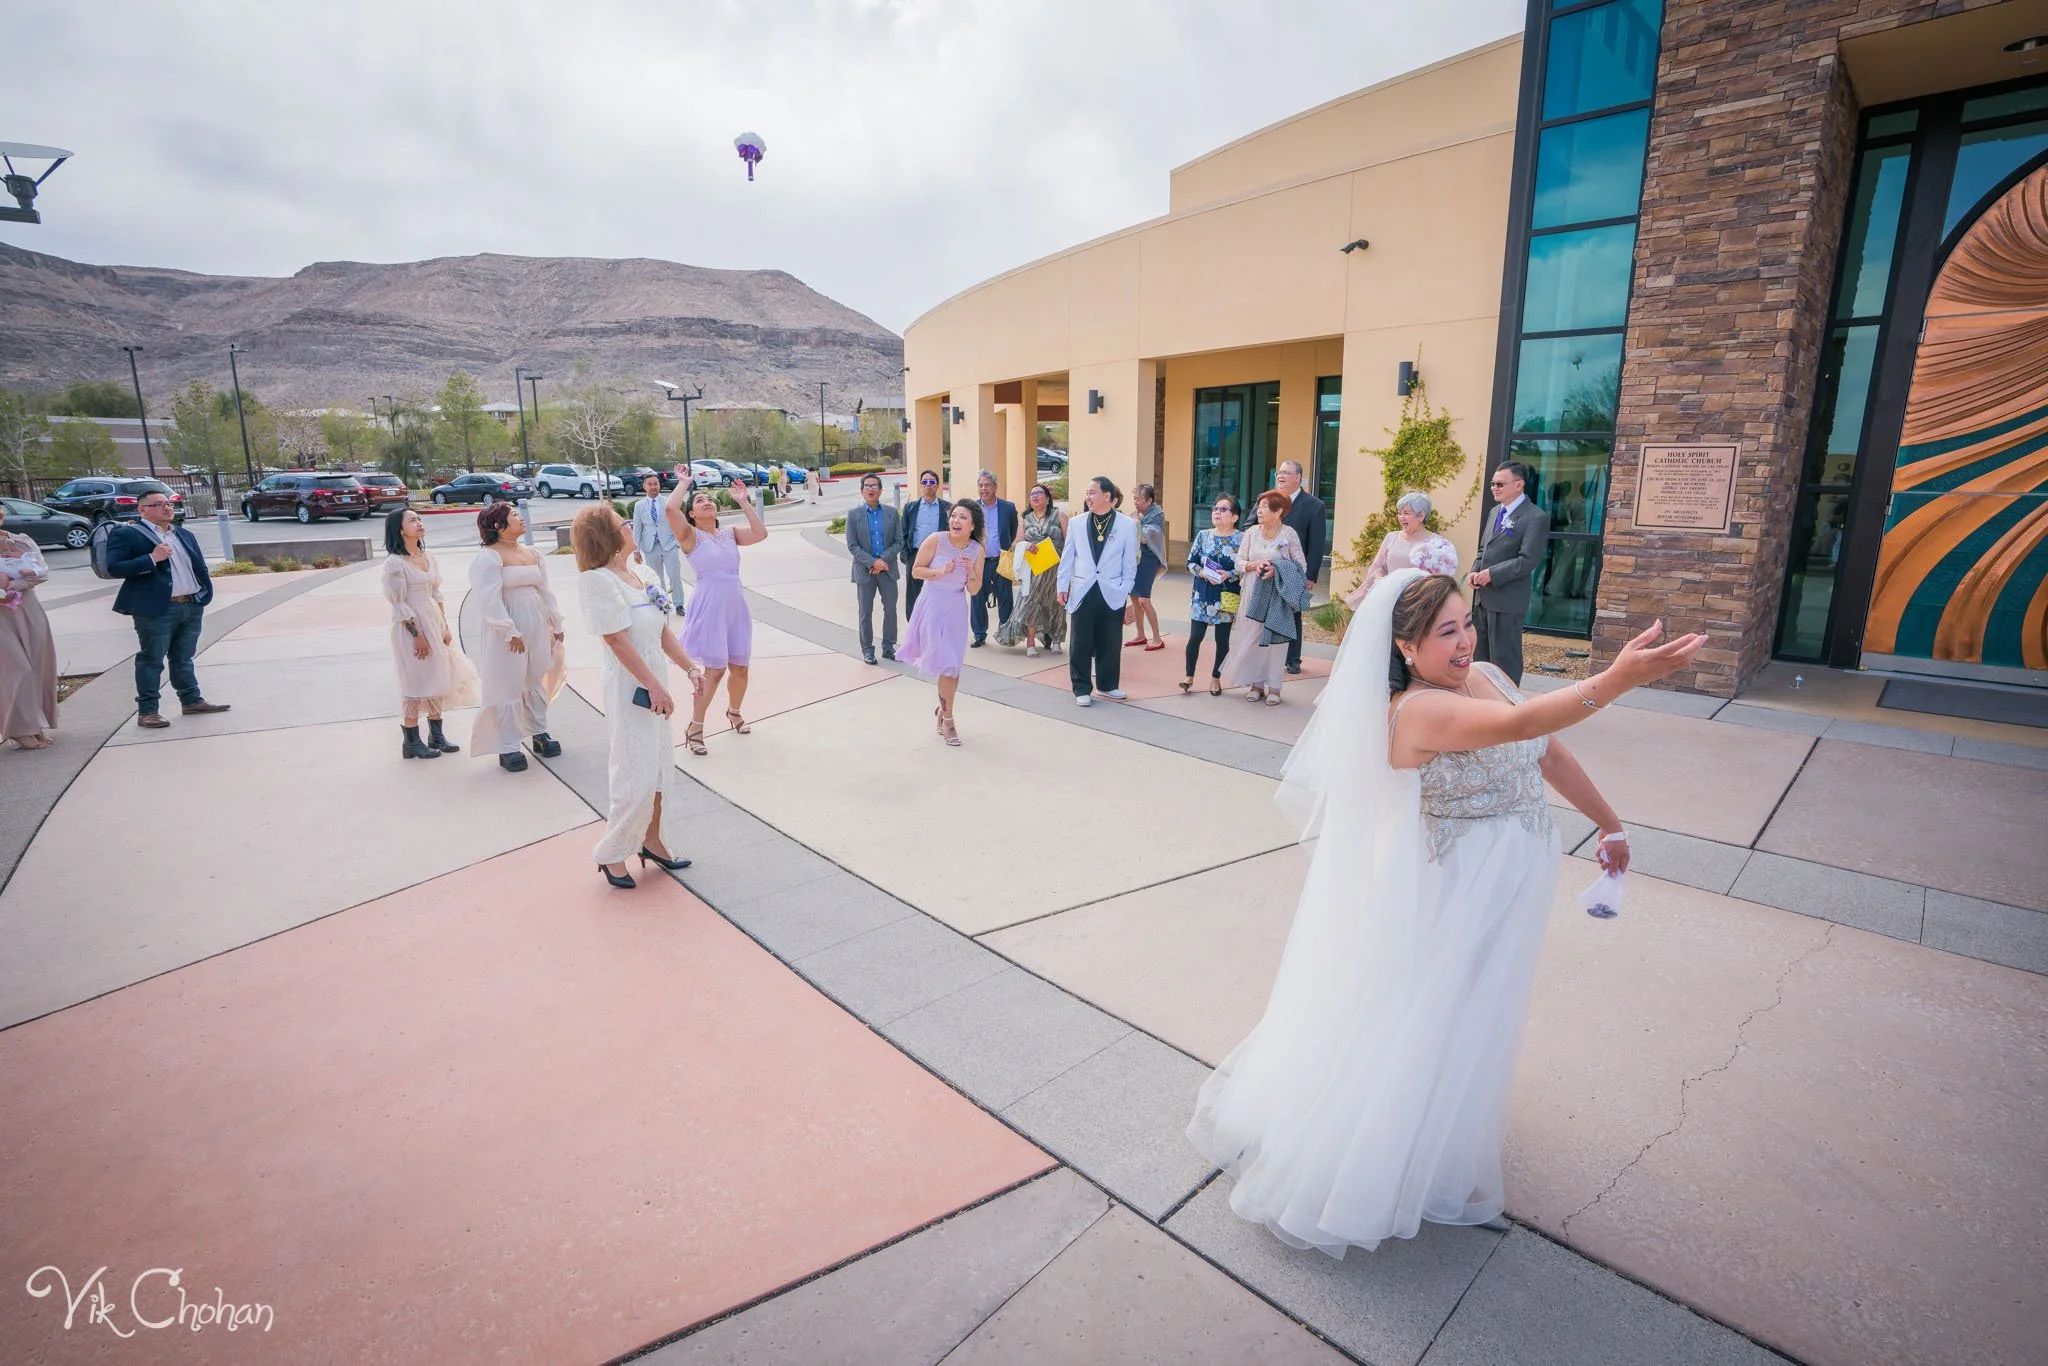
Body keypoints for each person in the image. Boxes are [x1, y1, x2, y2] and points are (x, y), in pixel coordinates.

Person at [1187, 568, 1704, 1257]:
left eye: (1466, 624)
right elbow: (1522, 723)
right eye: (1445, 633)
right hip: (1456, 890)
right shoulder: (1415, 711)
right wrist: (1614, 681)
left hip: (1513, 877)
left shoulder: (1488, 671)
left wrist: (1609, 825)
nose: (1464, 643)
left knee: (1479, 1014)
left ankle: (1443, 1136)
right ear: (1404, 647)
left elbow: (1544, 750)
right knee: (1436, 1015)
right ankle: (1396, 1156)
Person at [573, 505, 704, 889]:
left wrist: (689, 667)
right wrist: (653, 686)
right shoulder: (597, 581)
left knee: (661, 766)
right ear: (607, 536)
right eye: (622, 523)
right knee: (634, 771)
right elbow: (616, 640)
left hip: (655, 681)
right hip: (631, 686)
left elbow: (661, 629)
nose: (630, 526)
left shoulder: (642, 574)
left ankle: (652, 841)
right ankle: (612, 852)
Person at [664, 470, 768, 756]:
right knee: (714, 671)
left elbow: (760, 533)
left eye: (710, 499)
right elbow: (670, 508)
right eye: (699, 501)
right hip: (710, 605)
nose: (706, 502)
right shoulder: (689, 535)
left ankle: (733, 711)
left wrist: (744, 502)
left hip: (735, 605)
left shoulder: (729, 534)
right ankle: (695, 727)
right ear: (692, 514)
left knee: (740, 666)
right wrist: (684, 484)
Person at [108, 488, 229, 729]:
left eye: (169, 504)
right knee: (152, 660)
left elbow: (198, 566)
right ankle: (148, 711)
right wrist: (152, 558)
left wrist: (202, 594)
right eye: (158, 504)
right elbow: (114, 567)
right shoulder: (129, 534)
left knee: (183, 657)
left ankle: (191, 700)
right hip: (157, 609)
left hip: (191, 604)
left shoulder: (182, 534)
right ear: (142, 509)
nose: (167, 508)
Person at [468, 502, 566, 771]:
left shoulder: (532, 553)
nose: (520, 518)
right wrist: (509, 630)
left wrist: (555, 621)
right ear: (498, 525)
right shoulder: (489, 557)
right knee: (508, 683)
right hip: (508, 624)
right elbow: (488, 598)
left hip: (536, 618)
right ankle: (508, 745)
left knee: (535, 678)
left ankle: (539, 732)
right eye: (514, 515)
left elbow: (545, 589)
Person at [381, 507, 479, 760]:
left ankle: (437, 735)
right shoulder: (394, 563)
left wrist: (444, 626)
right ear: (400, 529)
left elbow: (436, 593)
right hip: (411, 626)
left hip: (433, 620)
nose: (419, 523)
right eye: (412, 520)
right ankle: (411, 739)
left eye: (419, 518)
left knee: (439, 675)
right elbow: (399, 604)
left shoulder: (428, 556)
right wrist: (418, 635)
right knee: (415, 680)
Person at [896, 500, 983, 746]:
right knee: (946, 665)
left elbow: (975, 590)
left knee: (953, 667)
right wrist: (941, 571)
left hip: (956, 608)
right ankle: (948, 720)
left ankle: (941, 711)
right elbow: (916, 571)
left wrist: (971, 572)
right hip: (933, 605)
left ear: (973, 524)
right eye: (954, 516)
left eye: (963, 517)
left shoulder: (977, 549)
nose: (956, 521)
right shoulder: (936, 539)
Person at [1055, 476, 1138, 707]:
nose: (1088, 497)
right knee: (1080, 640)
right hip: (1083, 587)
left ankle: (1108, 684)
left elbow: (1130, 562)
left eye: (1092, 492)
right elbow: (1068, 557)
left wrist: (1124, 589)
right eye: (1087, 493)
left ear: (1108, 496)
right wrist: (1062, 586)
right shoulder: (1077, 523)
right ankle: (1081, 687)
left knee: (1110, 640)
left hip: (1112, 590)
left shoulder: (1127, 525)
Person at [1220, 491, 1308, 705]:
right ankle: (1256, 683)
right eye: (1258, 506)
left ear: (1278, 511)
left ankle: (1275, 687)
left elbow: (1301, 565)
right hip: (1252, 591)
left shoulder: (1289, 534)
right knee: (1254, 640)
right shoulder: (1251, 533)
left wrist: (1277, 569)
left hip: (1278, 595)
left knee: (1276, 641)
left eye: (1265, 507)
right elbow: (1238, 562)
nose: (1259, 511)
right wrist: (1254, 566)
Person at [1470, 461, 1552, 684]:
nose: (1494, 488)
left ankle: (1508, 706)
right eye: (1492, 484)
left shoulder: (1535, 517)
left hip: (1508, 601)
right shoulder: (1495, 511)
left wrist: (1492, 574)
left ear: (1519, 485)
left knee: (1505, 659)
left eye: (1500, 484)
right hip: (1482, 599)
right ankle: (1483, 701)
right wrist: (1475, 571)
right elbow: (1483, 549)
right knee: (1481, 659)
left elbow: (1527, 560)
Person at [0, 512, 57, 749]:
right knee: (16, 669)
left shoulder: (20, 540)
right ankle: (19, 729)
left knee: (37, 665)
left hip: (27, 606)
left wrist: (10, 587)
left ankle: (36, 724)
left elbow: (41, 573)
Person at [1180, 494, 1243, 696]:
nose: (1217, 512)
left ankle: (1216, 678)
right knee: (1195, 636)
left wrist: (1230, 574)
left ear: (1234, 517)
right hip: (1203, 592)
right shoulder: (1203, 535)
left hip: (1227, 594)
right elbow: (1191, 562)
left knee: (1222, 639)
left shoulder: (1241, 539)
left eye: (1223, 509)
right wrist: (1202, 573)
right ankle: (1188, 676)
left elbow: (1244, 567)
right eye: (1215, 508)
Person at [994, 482, 1066, 655]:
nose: (1034, 496)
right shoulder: (1025, 518)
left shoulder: (1059, 515)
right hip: (1035, 569)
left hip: (1056, 568)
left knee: (1056, 604)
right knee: (1032, 604)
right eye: (1031, 494)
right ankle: (1031, 642)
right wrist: (1025, 545)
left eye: (1038, 493)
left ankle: (1056, 640)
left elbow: (1069, 540)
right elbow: (1017, 541)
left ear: (1047, 498)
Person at [1349, 492, 1460, 605]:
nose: (1401, 517)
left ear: (1421, 516)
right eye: (1399, 513)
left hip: (1418, 603)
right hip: (1388, 598)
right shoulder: (1391, 537)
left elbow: (1440, 580)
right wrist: (1382, 581)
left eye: (1406, 513)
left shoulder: (1436, 543)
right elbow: (1377, 567)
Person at [1276, 460, 1328, 676]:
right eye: (1279, 472)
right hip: (1267, 567)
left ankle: (1293, 659)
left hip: (1296, 570)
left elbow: (1316, 545)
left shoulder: (1314, 506)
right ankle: (1269, 655)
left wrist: (1310, 576)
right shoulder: (1268, 500)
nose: (1280, 476)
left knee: (1292, 614)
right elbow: (1250, 525)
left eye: (1286, 473)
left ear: (1298, 478)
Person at [845, 473, 901, 665]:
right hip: (864, 571)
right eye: (867, 486)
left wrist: (882, 560)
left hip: (888, 569)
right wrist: (872, 562)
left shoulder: (892, 513)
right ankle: (867, 650)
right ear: (862, 491)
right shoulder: (853, 515)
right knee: (865, 612)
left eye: (874, 485)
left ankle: (888, 647)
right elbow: (852, 545)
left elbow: (899, 541)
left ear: (880, 490)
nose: (871, 489)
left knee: (891, 610)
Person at [970, 470, 1018, 647]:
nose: (984, 488)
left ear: (995, 487)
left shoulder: (1008, 508)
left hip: (1001, 559)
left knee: (1005, 598)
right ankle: (979, 634)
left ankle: (1005, 632)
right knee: (977, 597)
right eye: (981, 485)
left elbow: (1012, 532)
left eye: (987, 485)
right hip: (979, 562)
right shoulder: (972, 508)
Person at [631, 472, 686, 616]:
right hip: (650, 547)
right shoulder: (639, 506)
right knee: (656, 578)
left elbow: (677, 522)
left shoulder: (668, 502)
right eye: (650, 484)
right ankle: (663, 604)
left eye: (656, 484)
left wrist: (677, 543)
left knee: (674, 575)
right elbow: (637, 528)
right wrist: (636, 550)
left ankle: (679, 604)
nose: (653, 487)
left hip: (669, 545)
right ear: (644, 487)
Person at [1125, 482, 1168, 652]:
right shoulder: (1139, 514)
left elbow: (1144, 538)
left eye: (1140, 499)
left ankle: (1157, 638)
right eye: (1135, 499)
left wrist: (1136, 523)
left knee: (1144, 599)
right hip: (1137, 559)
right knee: (1134, 598)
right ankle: (1140, 634)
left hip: (1149, 560)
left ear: (1149, 500)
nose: (1136, 502)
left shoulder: (1157, 515)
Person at [901, 470, 949, 619]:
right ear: (921, 485)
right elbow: (903, 533)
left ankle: (935, 621)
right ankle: (913, 624)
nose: (928, 485)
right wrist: (906, 555)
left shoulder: (947, 508)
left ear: (937, 485)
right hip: (915, 554)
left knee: (937, 591)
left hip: (938, 556)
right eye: (925, 482)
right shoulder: (910, 508)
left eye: (932, 482)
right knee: (913, 594)